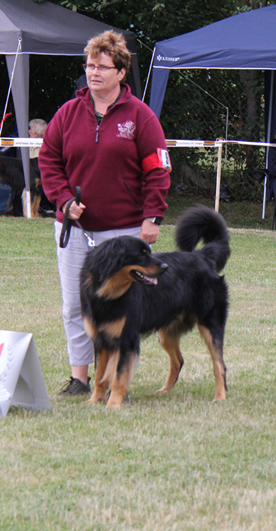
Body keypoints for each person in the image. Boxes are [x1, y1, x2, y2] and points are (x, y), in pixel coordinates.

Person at [39, 30, 170, 397]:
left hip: (124, 231)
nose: (93, 72)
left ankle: (116, 380)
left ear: (121, 72)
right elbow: (49, 160)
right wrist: (63, 199)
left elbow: (158, 169)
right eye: (89, 65)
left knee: (123, 307)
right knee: (74, 305)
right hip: (75, 228)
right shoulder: (67, 113)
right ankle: (80, 379)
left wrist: (152, 216)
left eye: (102, 66)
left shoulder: (141, 117)